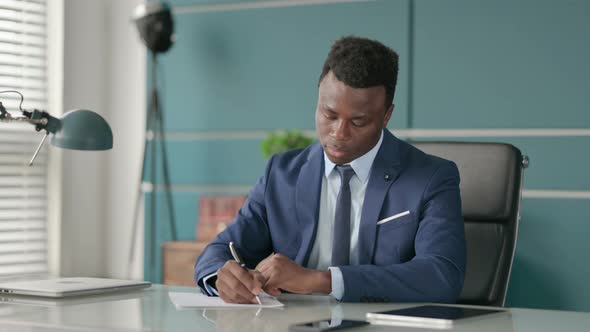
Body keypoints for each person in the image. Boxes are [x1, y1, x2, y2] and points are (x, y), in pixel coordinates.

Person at [194, 36, 466, 303]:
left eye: (358, 122)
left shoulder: (431, 178)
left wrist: (321, 280)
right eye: (329, 115)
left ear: (386, 116)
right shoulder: (282, 173)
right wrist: (221, 278)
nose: (339, 133)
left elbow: (442, 275)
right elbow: (220, 250)